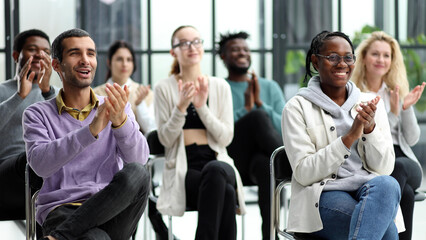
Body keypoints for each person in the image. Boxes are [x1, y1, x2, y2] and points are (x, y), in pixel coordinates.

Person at [22, 28, 150, 240]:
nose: (85, 60)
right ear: (56, 65)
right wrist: (90, 131)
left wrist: (120, 122)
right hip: (62, 210)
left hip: (111, 208)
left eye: (90, 53)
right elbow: (40, 165)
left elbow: (140, 159)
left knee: (138, 171)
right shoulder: (37, 114)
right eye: (75, 53)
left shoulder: (116, 107)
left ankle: (58, 238)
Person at [282, 30, 404, 239]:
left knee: (389, 184)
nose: (342, 64)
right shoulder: (297, 107)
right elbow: (303, 173)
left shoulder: (371, 103)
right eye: (332, 57)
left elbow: (384, 168)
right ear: (315, 62)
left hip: (367, 190)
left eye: (348, 57)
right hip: (322, 197)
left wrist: (369, 129)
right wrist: (348, 138)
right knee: (386, 231)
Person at [153, 25, 246, 240]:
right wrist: (181, 107)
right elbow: (166, 139)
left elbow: (225, 138)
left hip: (219, 160)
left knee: (216, 170)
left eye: (196, 41)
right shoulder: (163, 88)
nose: (191, 47)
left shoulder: (219, 86)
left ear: (202, 47)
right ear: (173, 51)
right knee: (226, 192)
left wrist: (202, 106)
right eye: (184, 43)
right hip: (184, 167)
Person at [352, 31, 424, 240]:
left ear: (392, 60)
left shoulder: (395, 91)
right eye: (375, 54)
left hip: (402, 159)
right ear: (364, 58)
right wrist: (391, 115)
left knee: (398, 168)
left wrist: (405, 108)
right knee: (407, 194)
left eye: (386, 55)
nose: (381, 60)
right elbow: (362, 135)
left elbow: (411, 139)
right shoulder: (354, 93)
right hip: (372, 160)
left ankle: (377, 223)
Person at [218, 31, 286, 240]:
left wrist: (260, 104)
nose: (242, 53)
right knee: (256, 118)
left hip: (263, 161)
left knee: (266, 166)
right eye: (235, 49)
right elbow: (220, 129)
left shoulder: (269, 87)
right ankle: (291, 166)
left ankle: (270, 237)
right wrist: (248, 108)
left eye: (246, 49)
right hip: (233, 158)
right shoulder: (220, 88)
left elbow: (285, 128)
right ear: (223, 56)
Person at [0, 29, 56, 221]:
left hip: (46, 166)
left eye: (46, 52)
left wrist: (48, 91)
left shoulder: (53, 95)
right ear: (16, 55)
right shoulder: (2, 91)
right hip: (9, 168)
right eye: (33, 49)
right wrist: (19, 96)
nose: (40, 55)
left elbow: (68, 129)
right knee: (37, 157)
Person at [94, 40, 156, 135]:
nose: (124, 64)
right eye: (119, 59)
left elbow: (151, 129)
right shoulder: (95, 93)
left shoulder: (145, 94)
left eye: (129, 60)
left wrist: (140, 104)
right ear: (109, 62)